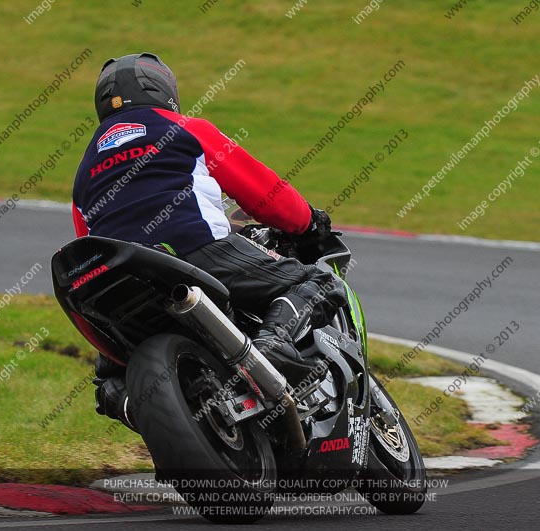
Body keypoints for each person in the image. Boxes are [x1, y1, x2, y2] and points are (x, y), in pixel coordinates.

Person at [71, 53, 346, 430]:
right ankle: (273, 344)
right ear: (163, 89)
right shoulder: (186, 128)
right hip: (193, 249)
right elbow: (265, 195)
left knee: (108, 377)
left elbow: (84, 237)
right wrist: (309, 223)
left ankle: (126, 399)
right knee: (321, 283)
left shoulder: (84, 169)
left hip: (113, 281)